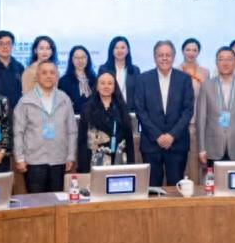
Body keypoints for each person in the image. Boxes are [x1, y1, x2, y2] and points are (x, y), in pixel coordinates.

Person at [133, 40, 195, 186]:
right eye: (161, 55)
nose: (164, 58)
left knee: (176, 187)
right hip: (151, 144)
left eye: (168, 55)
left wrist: (172, 135)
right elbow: (140, 111)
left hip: (177, 143)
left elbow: (188, 110)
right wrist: (158, 136)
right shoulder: (143, 79)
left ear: (174, 57)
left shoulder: (184, 79)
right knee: (152, 189)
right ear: (155, 57)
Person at [13, 60, 78, 192]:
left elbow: (72, 130)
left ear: (57, 76)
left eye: (52, 73)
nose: (48, 76)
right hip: (34, 161)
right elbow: (18, 132)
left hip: (59, 160)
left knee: (57, 200)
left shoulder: (64, 99)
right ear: (37, 76)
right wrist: (19, 157)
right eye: (44, 73)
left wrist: (70, 155)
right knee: (37, 201)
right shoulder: (25, 101)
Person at [197, 46, 235, 167]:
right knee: (214, 179)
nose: (225, 63)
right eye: (221, 59)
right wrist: (201, 148)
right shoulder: (206, 86)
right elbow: (201, 119)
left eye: (229, 59)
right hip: (212, 147)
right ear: (216, 62)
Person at [77, 70, 135, 173]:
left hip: (119, 160)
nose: (106, 86)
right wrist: (82, 167)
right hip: (94, 161)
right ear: (97, 87)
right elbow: (82, 141)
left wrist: (131, 165)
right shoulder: (87, 108)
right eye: (102, 83)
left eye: (110, 83)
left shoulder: (122, 108)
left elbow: (129, 141)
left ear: (114, 87)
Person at [99, 36, 141, 111]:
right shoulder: (104, 69)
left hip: (130, 112)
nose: (119, 51)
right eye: (116, 48)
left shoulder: (135, 70)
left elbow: (139, 94)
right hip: (109, 111)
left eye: (123, 48)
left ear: (128, 50)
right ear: (111, 50)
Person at [0, 30, 25, 108]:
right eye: (1, 44)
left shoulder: (19, 67)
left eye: (8, 43)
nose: (5, 47)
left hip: (16, 110)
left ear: (12, 46)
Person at [58, 45, 97, 114]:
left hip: (93, 118)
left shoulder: (95, 80)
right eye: (76, 58)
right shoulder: (63, 81)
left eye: (83, 57)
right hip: (72, 118)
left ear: (88, 59)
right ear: (71, 60)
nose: (80, 60)